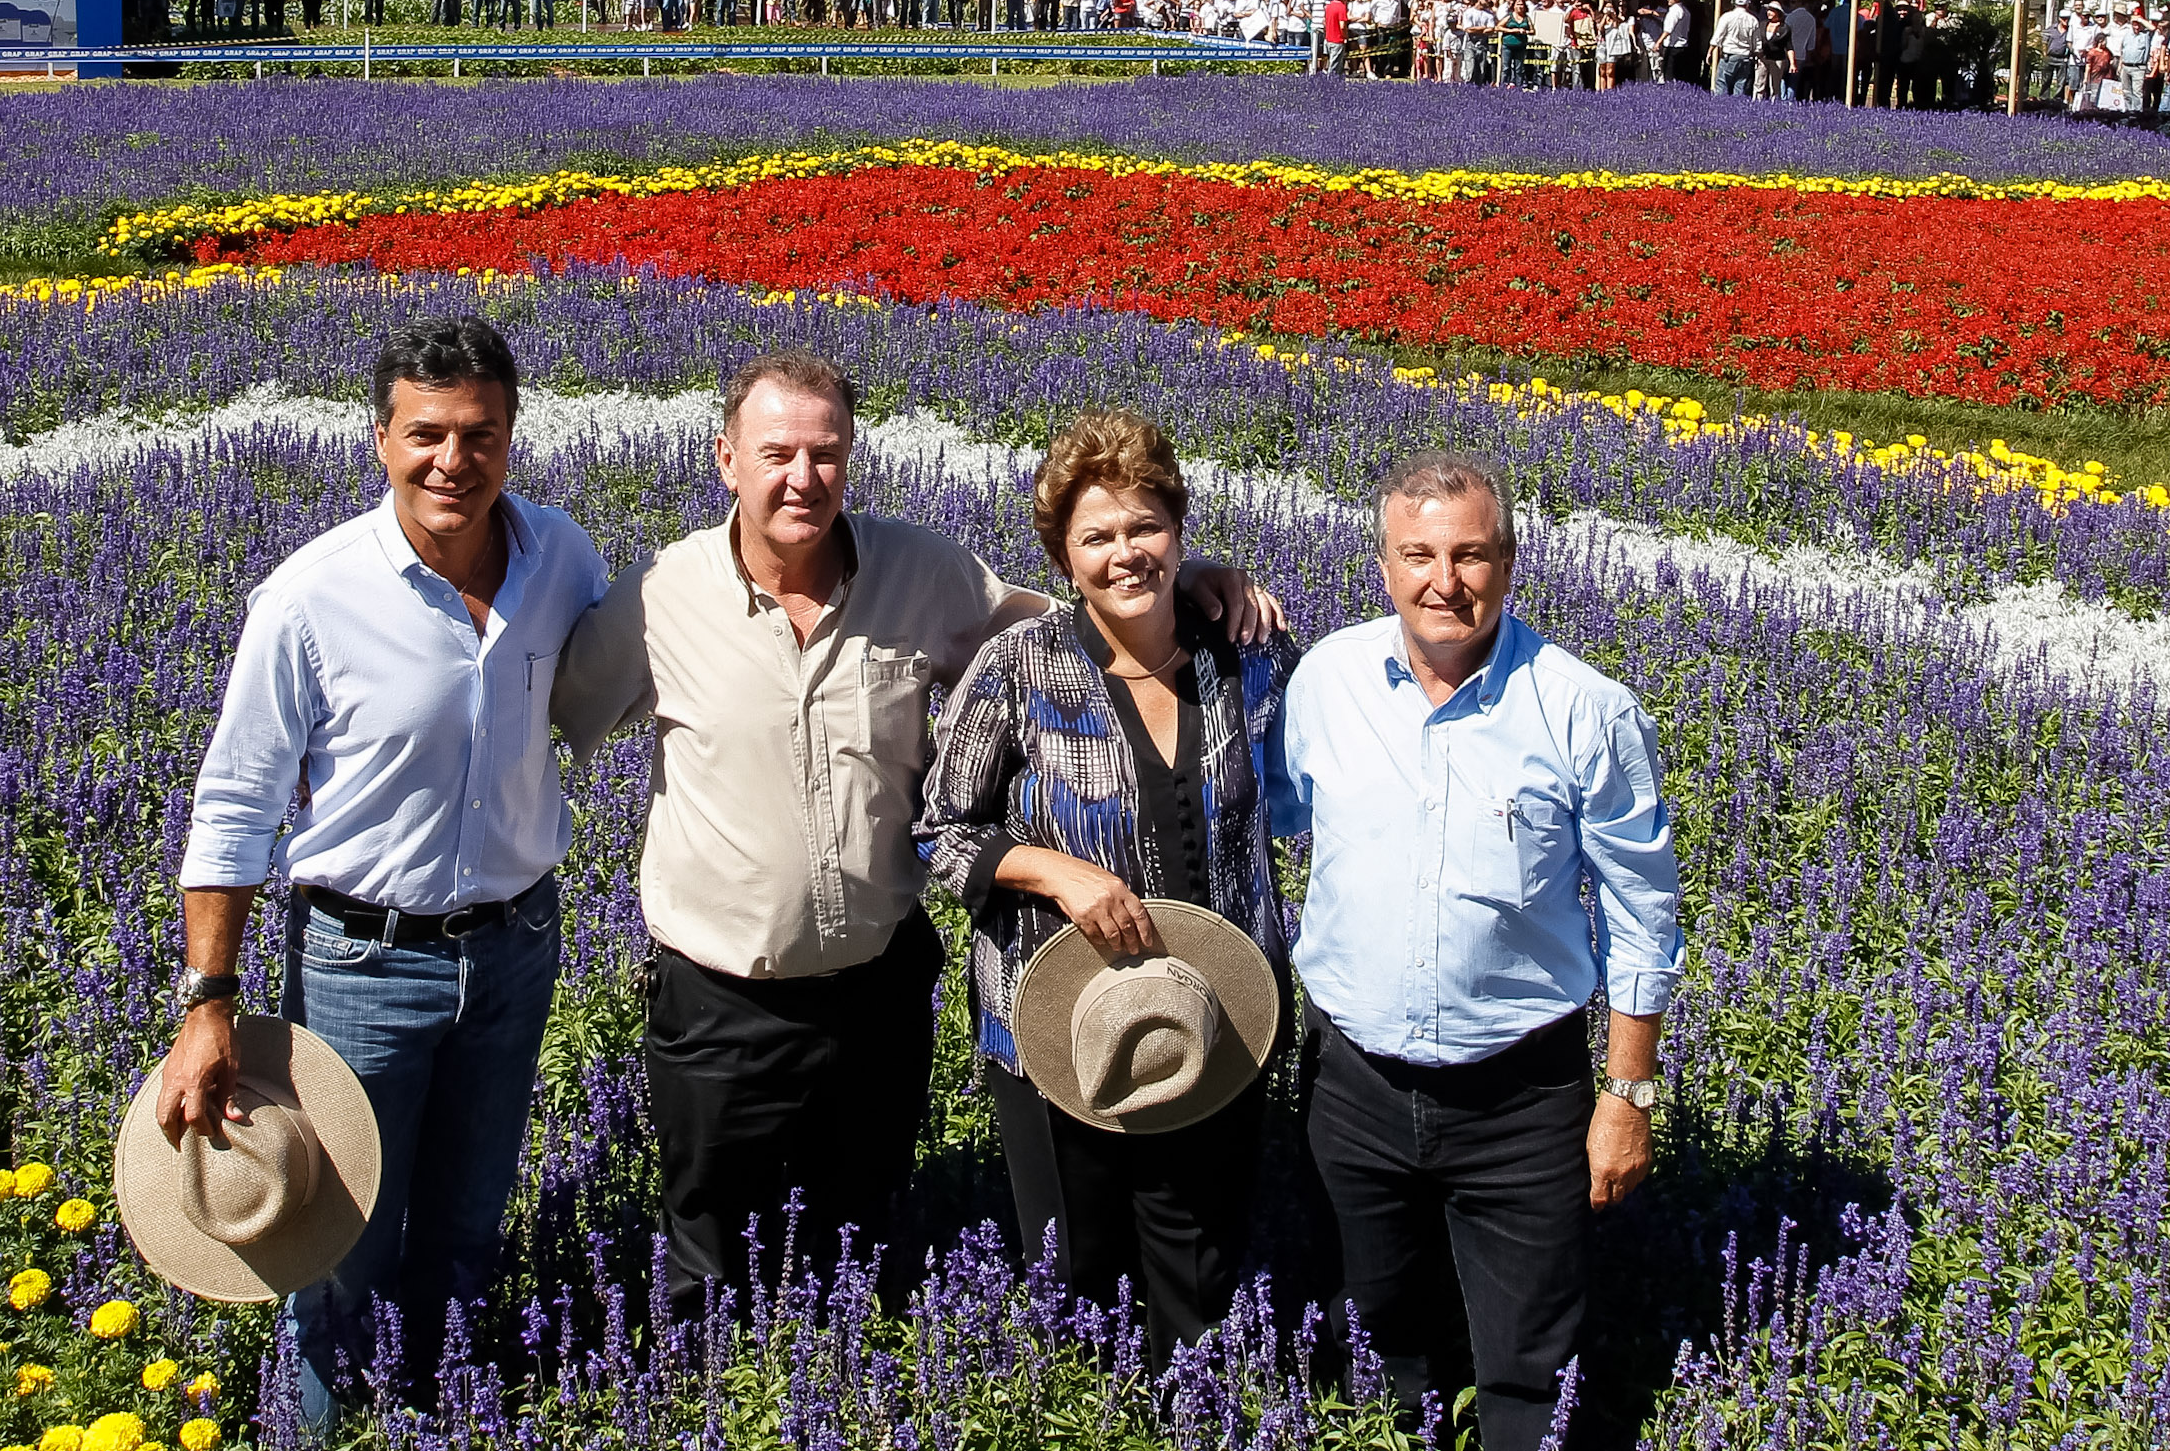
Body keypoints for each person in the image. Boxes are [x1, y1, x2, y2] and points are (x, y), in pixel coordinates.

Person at [556, 354, 1280, 1319]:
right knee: (709, 1255)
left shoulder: (924, 573)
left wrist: (1184, 574)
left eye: (825, 453)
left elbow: (1077, 621)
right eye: (777, 454)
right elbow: (553, 710)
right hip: (721, 1000)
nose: (801, 477)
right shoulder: (659, 596)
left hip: (876, 992)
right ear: (726, 458)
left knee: (862, 1245)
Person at [161, 317, 611, 1429]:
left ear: (511, 437)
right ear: (379, 440)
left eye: (480, 434)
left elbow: (620, 688)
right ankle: (312, 1426)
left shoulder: (562, 556)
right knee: (334, 1239)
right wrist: (207, 1004)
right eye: (426, 435)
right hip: (364, 959)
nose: (452, 461)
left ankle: (435, 1413)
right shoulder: (310, 598)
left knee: (467, 1227)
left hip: (514, 947)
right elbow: (233, 807)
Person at [1285, 453, 1681, 1451]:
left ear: (1507, 563)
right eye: (1416, 554)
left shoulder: (1584, 709)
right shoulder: (1325, 680)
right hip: (1353, 1084)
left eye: (1467, 554)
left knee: (1530, 1366)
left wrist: (1625, 1095)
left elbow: (1641, 913)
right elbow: (1276, 817)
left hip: (1517, 1097)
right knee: (1379, 1338)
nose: (1441, 580)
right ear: (1382, 565)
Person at [914, 410, 1299, 1351]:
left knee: (1202, 1282)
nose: (1126, 553)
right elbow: (940, 832)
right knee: (1078, 1282)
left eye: (1146, 527)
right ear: (1063, 554)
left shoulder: (1249, 659)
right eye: (1098, 536)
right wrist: (1053, 874)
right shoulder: (1019, 669)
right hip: (1059, 1022)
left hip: (1220, 1015)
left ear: (1179, 531)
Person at [1708, 0, 1760, 95]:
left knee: (1722, 84)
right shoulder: (1753, 20)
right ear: (1748, 4)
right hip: (1745, 56)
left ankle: (1720, 107)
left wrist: (1710, 52)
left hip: (1729, 54)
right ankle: (1737, 107)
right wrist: (1757, 56)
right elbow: (1757, 43)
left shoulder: (1726, 17)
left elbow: (1717, 37)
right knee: (1740, 85)